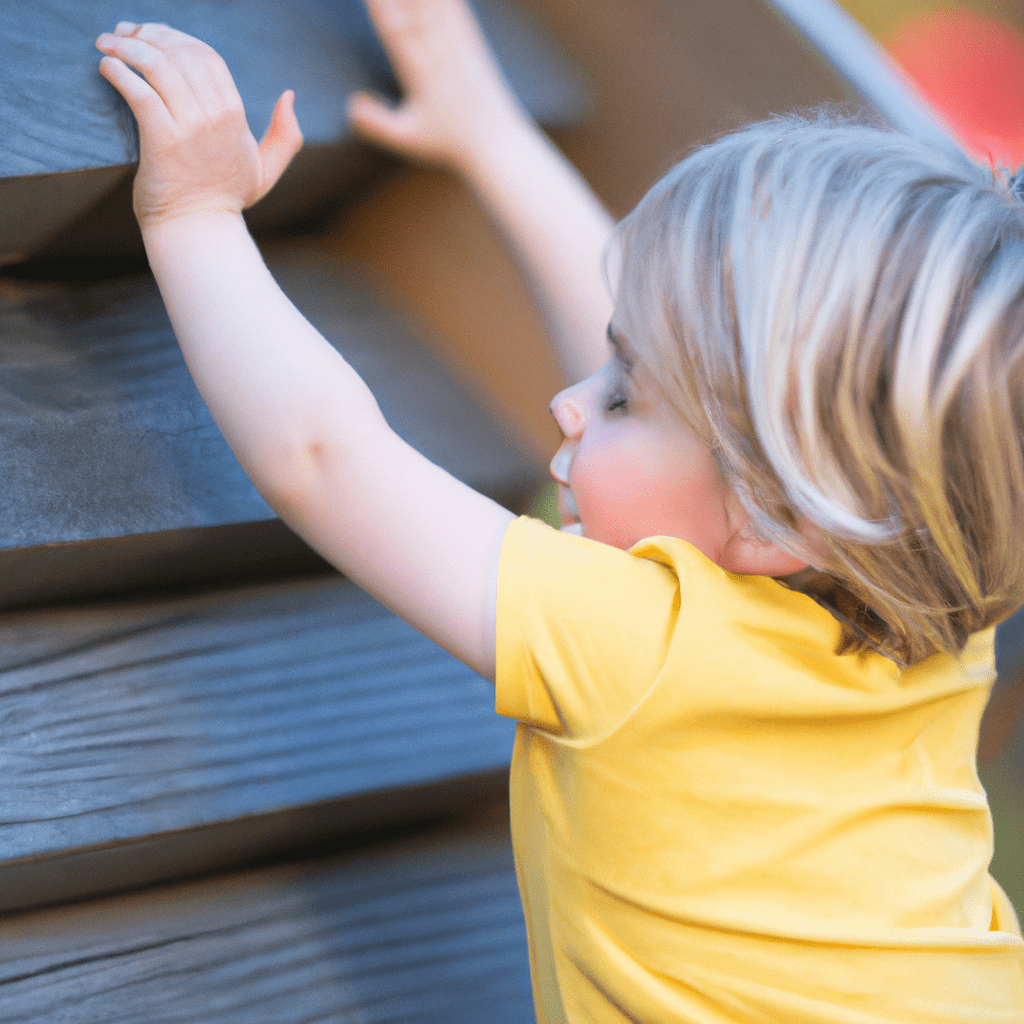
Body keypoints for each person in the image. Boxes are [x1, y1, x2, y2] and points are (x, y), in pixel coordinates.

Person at [95, 1, 1024, 1019]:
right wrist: (491, 135)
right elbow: (674, 372)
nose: (569, 402)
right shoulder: (926, 616)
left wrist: (192, 217)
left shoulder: (646, 646)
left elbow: (324, 458)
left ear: (779, 518)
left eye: (619, 399)